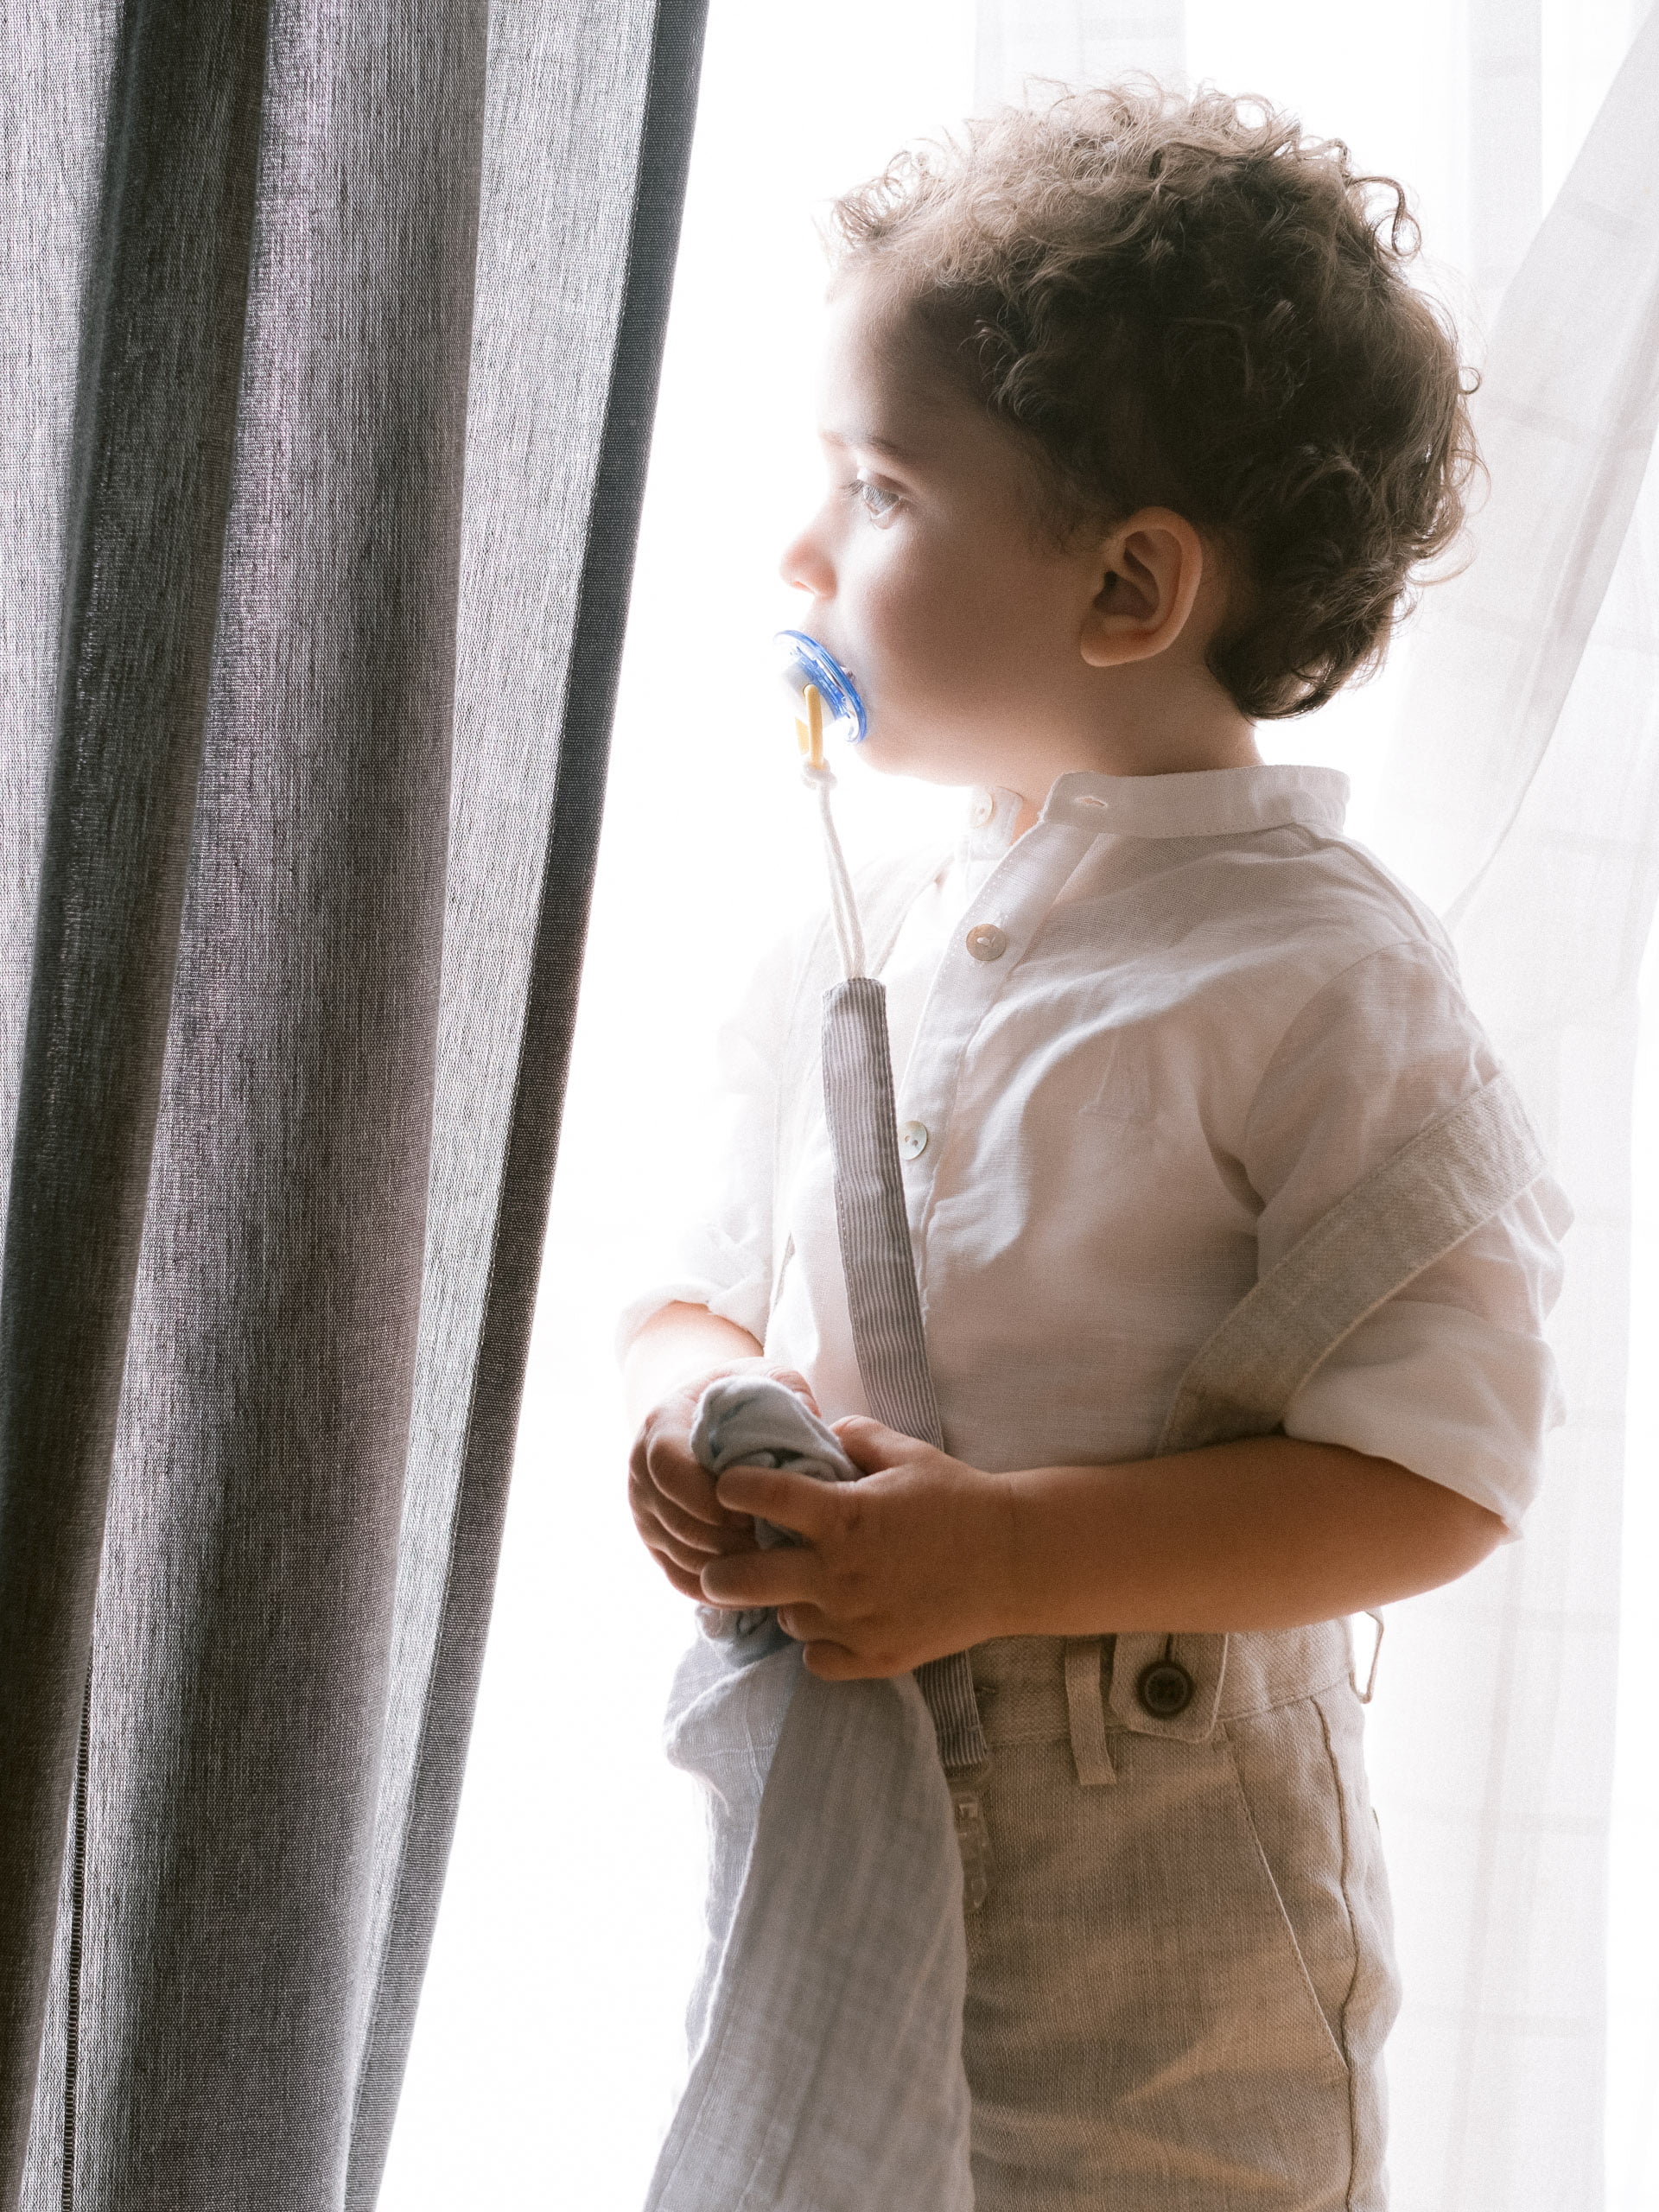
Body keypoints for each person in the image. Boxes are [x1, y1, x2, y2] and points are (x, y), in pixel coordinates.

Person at [619, 84, 1567, 2210]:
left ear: (1130, 584)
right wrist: (687, 1405)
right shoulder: (857, 928)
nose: (800, 554)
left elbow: (1437, 1475)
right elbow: (687, 1278)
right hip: (841, 1851)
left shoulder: (1322, 979)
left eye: (880, 490)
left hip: (1169, 1957)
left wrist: (1010, 1560)